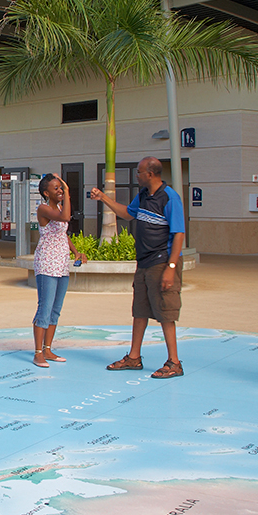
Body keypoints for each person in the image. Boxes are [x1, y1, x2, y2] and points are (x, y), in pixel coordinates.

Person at [90, 156, 186, 377]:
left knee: (165, 311)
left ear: (150, 174)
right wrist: (104, 197)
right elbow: (127, 213)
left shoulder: (170, 198)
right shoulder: (143, 196)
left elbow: (179, 234)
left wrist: (171, 267)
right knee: (140, 311)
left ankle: (174, 362)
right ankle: (134, 358)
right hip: (144, 262)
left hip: (162, 261)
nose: (137, 175)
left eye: (139, 172)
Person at [31, 174, 86, 368]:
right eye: (56, 188)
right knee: (44, 308)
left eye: (61, 188)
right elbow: (65, 218)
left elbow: (63, 232)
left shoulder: (60, 207)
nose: (60, 190)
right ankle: (38, 353)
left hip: (61, 263)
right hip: (47, 263)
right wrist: (69, 191)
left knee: (56, 309)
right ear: (46, 193)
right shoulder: (44, 208)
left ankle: (48, 349)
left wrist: (76, 251)